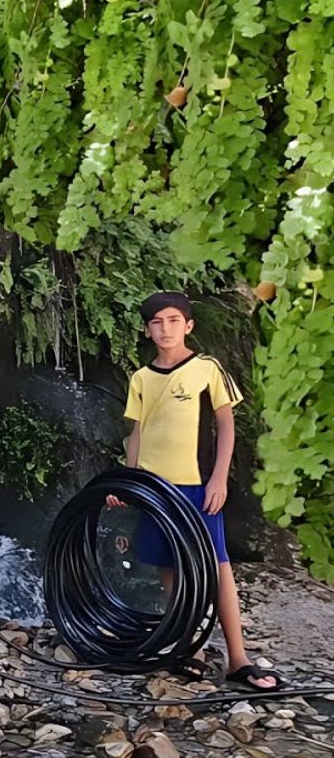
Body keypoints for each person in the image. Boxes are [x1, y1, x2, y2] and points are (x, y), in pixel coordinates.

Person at [107, 292, 282, 691]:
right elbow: (137, 434)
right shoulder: (141, 378)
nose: (165, 329)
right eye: (156, 322)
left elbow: (226, 426)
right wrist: (130, 482)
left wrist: (218, 479)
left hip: (195, 486)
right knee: (169, 566)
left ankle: (239, 658)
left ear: (188, 326)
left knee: (217, 565)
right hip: (154, 489)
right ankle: (192, 648)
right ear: (147, 329)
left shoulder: (207, 369)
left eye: (173, 320)